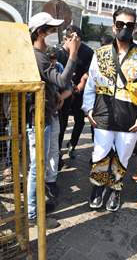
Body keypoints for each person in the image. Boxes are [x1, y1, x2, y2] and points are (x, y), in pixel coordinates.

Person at [82, 7, 137, 212]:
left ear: (134, 28)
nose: (124, 28)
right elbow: (90, 86)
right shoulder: (100, 54)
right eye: (120, 24)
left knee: (123, 156)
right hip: (103, 115)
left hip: (129, 118)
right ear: (113, 26)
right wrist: (88, 109)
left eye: (129, 25)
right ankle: (98, 188)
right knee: (100, 154)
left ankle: (115, 189)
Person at [28, 12, 80, 227]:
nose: (53, 34)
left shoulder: (38, 54)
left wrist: (55, 95)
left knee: (41, 163)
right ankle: (33, 215)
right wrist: (74, 54)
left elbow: (51, 84)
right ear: (40, 32)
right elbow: (61, 79)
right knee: (36, 167)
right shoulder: (38, 56)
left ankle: (37, 207)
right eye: (50, 29)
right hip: (38, 119)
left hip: (46, 115)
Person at [57, 25, 93, 159]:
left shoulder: (88, 52)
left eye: (78, 40)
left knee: (79, 120)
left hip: (79, 90)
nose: (75, 43)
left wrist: (81, 84)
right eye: (71, 39)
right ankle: (58, 151)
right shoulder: (59, 52)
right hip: (63, 93)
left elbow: (89, 71)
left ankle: (72, 144)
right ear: (66, 39)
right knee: (62, 123)